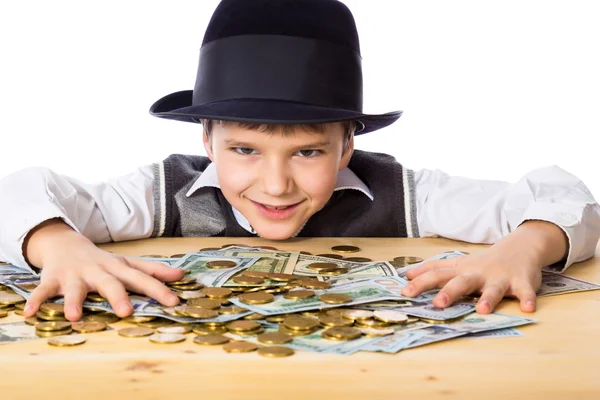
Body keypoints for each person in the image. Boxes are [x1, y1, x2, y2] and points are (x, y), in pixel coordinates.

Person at [0, 0, 598, 323]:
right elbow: (22, 191)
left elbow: (560, 193)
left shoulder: (407, 193)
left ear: (347, 145)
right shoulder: (162, 192)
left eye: (309, 152)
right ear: (207, 142)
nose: (276, 183)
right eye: (244, 150)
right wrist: (57, 243)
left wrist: (527, 245)